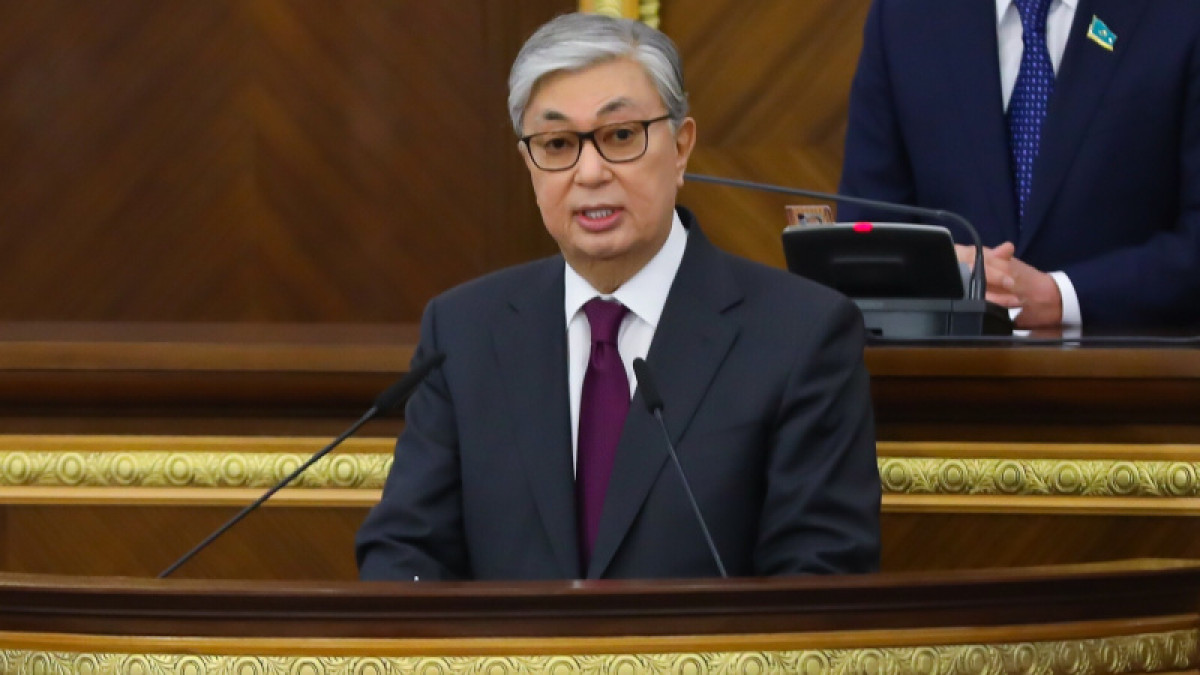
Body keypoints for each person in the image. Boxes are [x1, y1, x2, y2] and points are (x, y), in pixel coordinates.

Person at [356, 12, 880, 581]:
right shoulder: (463, 332)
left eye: (621, 136)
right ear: (529, 164)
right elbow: (404, 550)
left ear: (681, 147)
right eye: (558, 144)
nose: (589, 172)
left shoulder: (800, 335)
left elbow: (818, 575)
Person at [839, 0, 1200, 328]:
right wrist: (939, 268)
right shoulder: (906, 15)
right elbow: (866, 232)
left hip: (1134, 365)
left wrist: (1063, 296)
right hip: (939, 367)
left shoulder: (1182, 15)